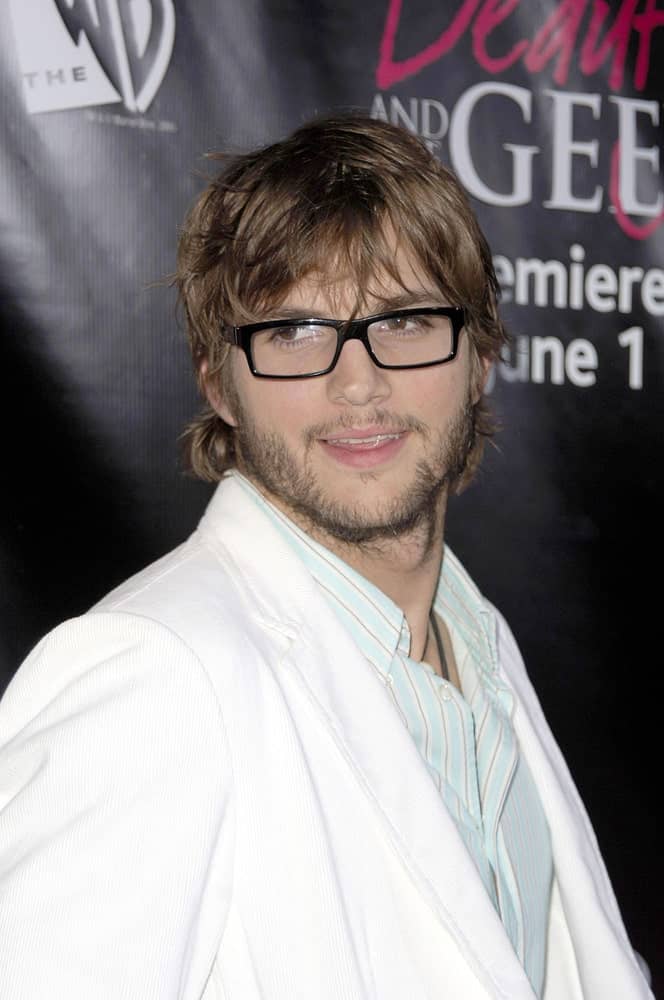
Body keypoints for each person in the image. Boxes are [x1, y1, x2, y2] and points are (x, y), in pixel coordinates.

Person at [0, 114, 652, 1000]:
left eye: (407, 319)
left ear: (481, 355)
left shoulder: (483, 649)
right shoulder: (156, 673)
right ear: (217, 381)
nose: (359, 384)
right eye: (297, 332)